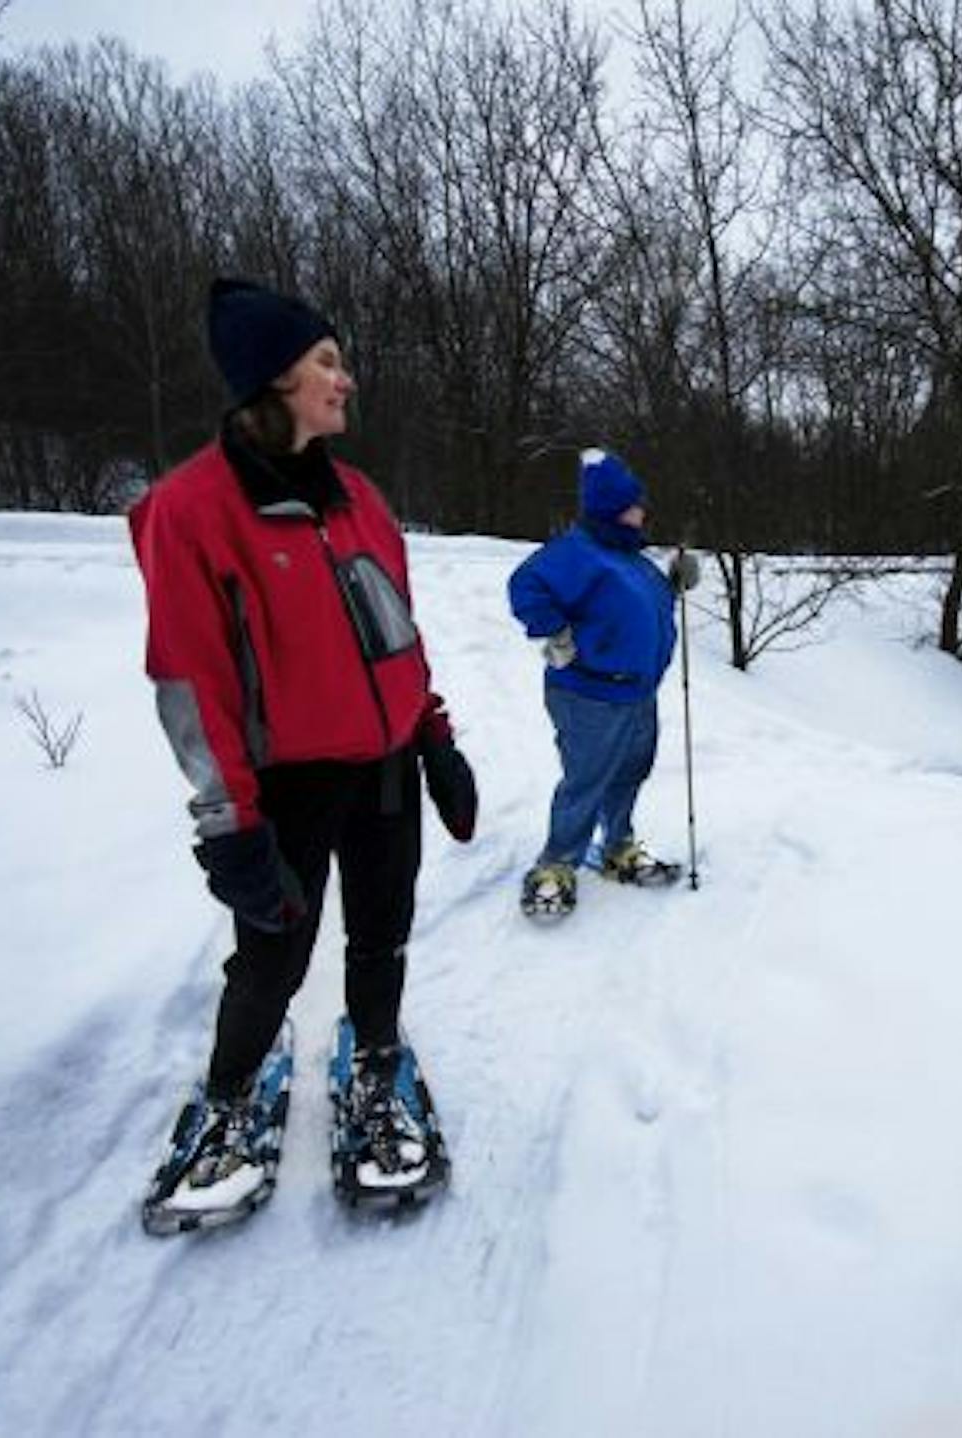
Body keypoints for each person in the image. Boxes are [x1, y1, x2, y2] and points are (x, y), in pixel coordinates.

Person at [130, 278, 478, 1217]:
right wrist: (227, 826)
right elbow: (189, 682)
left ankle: (375, 1066)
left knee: (383, 932)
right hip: (284, 786)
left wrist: (434, 738)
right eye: (328, 361)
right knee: (273, 957)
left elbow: (397, 639)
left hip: (385, 771)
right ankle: (232, 1097)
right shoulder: (191, 509)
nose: (346, 379)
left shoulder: (360, 498)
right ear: (275, 377)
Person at [509, 448, 699, 915]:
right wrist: (555, 632)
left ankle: (618, 847)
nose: (643, 510)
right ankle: (556, 865)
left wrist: (675, 582)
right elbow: (525, 586)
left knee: (630, 772)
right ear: (613, 509)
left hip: (637, 692)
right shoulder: (577, 553)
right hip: (589, 692)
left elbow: (639, 607)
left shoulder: (631, 558)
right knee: (588, 779)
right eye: (635, 503)